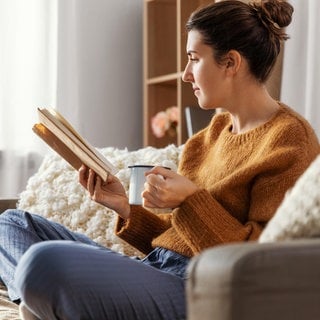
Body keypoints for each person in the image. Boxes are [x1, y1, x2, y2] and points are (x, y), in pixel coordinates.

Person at [0, 0, 319, 319]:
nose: (185, 75)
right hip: (158, 269)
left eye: (194, 59)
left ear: (230, 63)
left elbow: (263, 265)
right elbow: (175, 240)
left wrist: (192, 200)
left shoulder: (288, 140)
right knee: (10, 224)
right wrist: (124, 206)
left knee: (44, 262)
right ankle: (48, 303)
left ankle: (44, 302)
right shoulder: (206, 138)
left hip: (200, 288)